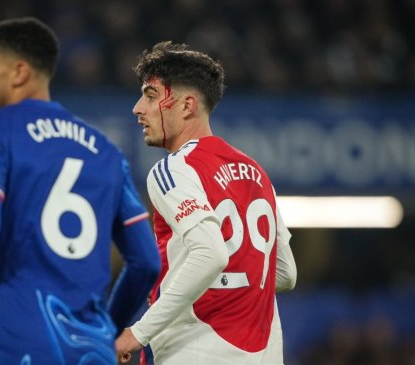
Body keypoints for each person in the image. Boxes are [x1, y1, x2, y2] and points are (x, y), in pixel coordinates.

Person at [0, 17, 161, 365]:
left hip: (15, 338)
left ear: (19, 73)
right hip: (91, 350)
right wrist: (106, 332)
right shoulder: (106, 151)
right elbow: (145, 262)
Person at [115, 41, 297, 365]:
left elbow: (210, 253)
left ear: (186, 105)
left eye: (151, 95)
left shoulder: (173, 169)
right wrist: (232, 283)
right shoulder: (256, 172)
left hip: (195, 352)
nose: (138, 108)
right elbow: (284, 273)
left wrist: (137, 333)